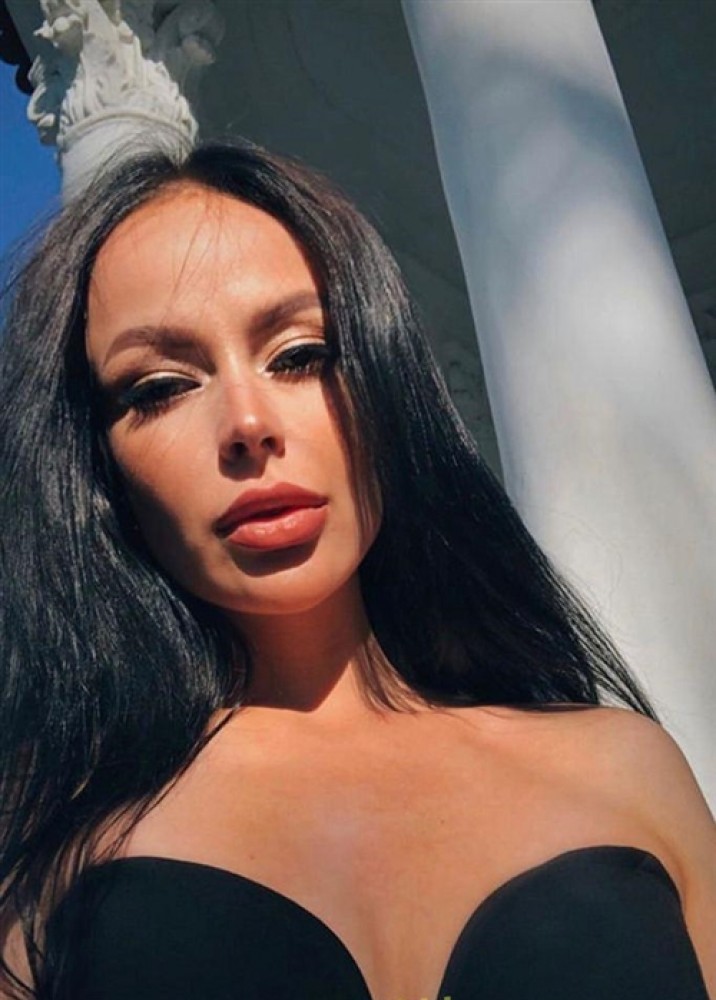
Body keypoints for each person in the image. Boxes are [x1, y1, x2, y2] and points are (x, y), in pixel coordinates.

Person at [0, 140, 714, 1000]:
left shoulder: (623, 768)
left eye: (301, 355)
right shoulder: (42, 834)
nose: (248, 423)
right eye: (159, 387)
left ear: (386, 383)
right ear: (95, 466)